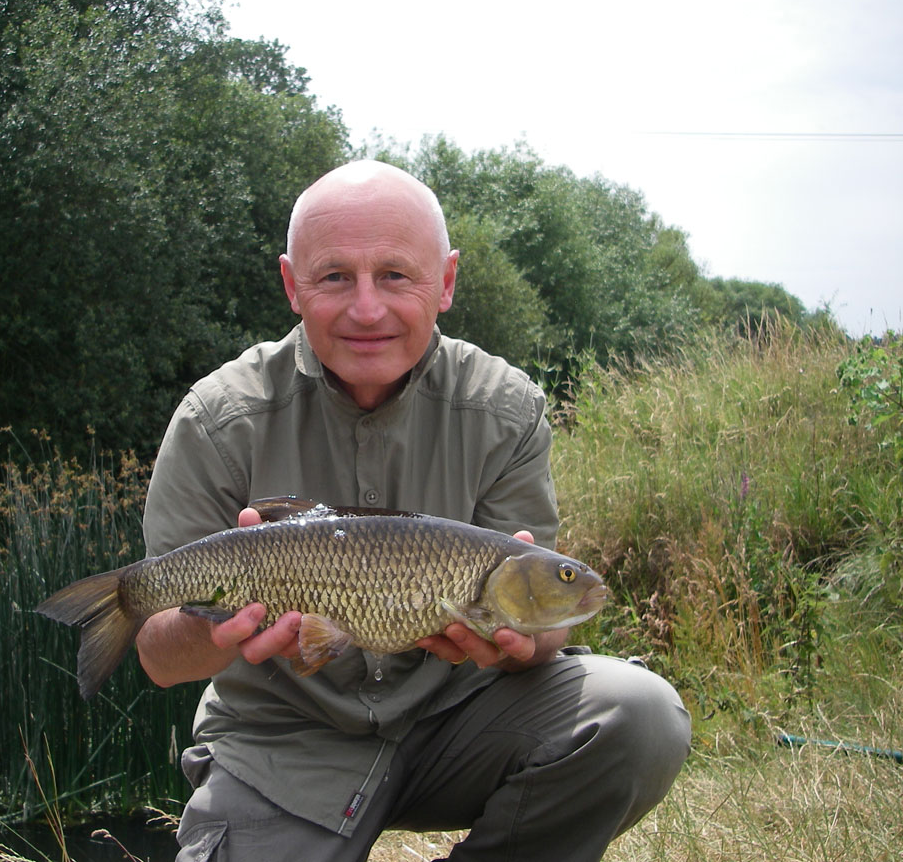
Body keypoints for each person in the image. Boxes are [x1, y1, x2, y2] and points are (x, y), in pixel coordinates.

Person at [136, 160, 691, 862]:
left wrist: (525, 642)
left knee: (639, 714)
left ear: (447, 281)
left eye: (396, 275)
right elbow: (157, 656)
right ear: (291, 286)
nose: (367, 308)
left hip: (457, 720)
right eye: (335, 276)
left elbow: (539, 630)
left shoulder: (505, 408)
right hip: (283, 740)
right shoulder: (218, 418)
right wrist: (223, 626)